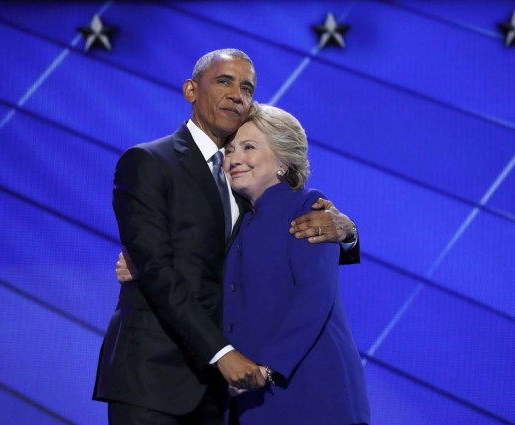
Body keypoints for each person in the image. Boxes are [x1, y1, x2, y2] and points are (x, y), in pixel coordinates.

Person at [94, 48, 359, 424]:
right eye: (224, 81)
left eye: (247, 88)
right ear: (190, 90)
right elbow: (156, 265)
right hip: (155, 378)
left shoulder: (246, 184)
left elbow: (285, 246)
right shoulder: (149, 162)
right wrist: (221, 353)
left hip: (227, 392)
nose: (238, 93)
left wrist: (348, 232)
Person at [222, 103, 370, 424]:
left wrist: (268, 367)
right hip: (252, 400)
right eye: (229, 149)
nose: (234, 158)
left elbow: (314, 296)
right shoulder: (238, 220)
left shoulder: (309, 207)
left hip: (310, 394)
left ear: (283, 162)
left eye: (248, 147)